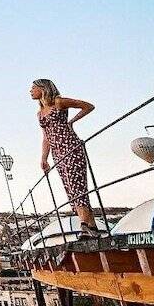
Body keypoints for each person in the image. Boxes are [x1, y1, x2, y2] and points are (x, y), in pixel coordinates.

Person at [30, 79, 100, 238]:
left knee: (77, 185)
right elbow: (46, 137)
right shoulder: (40, 113)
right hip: (57, 153)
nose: (31, 91)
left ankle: (84, 226)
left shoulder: (58, 102)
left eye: (34, 87)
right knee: (70, 188)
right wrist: (44, 158)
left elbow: (88, 106)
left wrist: (72, 121)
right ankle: (92, 226)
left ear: (43, 88)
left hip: (70, 146)